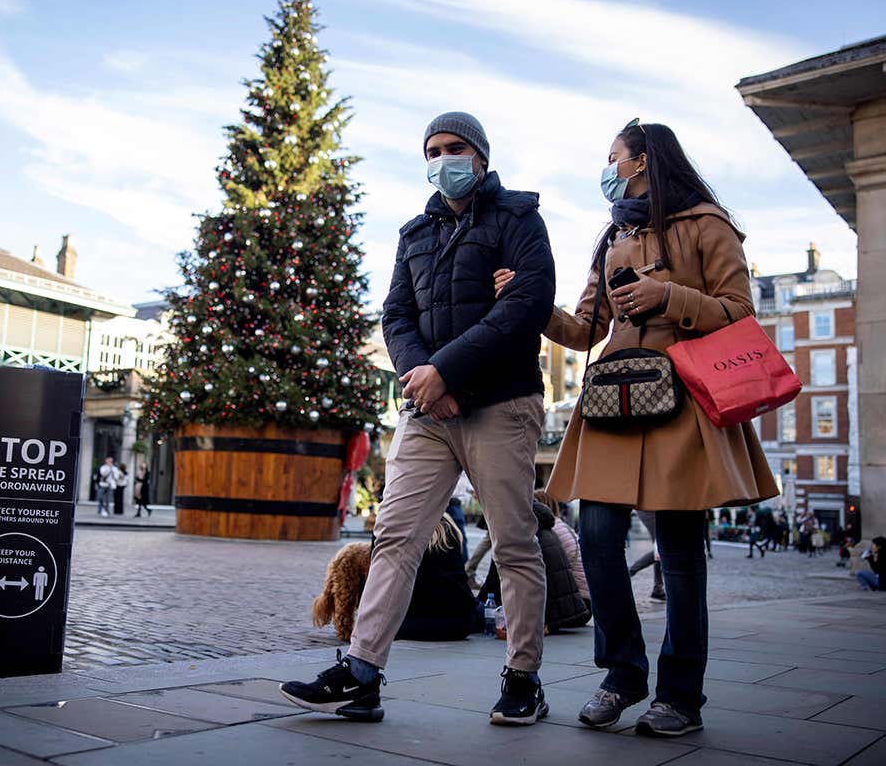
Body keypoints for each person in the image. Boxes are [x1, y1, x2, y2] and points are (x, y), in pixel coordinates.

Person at [498, 120, 778, 737]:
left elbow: (740, 314)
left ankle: (681, 697)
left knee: (679, 553)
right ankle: (622, 675)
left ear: (644, 161)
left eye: (613, 158)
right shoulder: (613, 238)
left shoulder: (709, 224)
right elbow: (585, 330)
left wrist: (667, 297)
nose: (607, 170)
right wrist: (531, 303)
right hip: (615, 401)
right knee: (597, 539)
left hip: (682, 402)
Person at [280, 111, 555, 725]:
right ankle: (361, 673)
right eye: (432, 151)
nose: (442, 159)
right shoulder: (415, 233)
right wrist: (424, 379)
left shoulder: (519, 217)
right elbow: (396, 316)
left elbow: (527, 304)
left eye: (454, 147)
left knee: (513, 542)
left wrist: (446, 372)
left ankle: (523, 677)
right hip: (427, 410)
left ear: (480, 155)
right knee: (395, 537)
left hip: (501, 403)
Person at [482, 495, 590, 631]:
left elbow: (495, 578)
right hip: (577, 607)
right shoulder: (549, 527)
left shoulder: (523, 531)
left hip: (563, 614)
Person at [628, 511, 666, 601]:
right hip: (649, 509)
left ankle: (658, 589)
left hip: (659, 510)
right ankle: (629, 572)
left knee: (660, 547)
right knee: (662, 546)